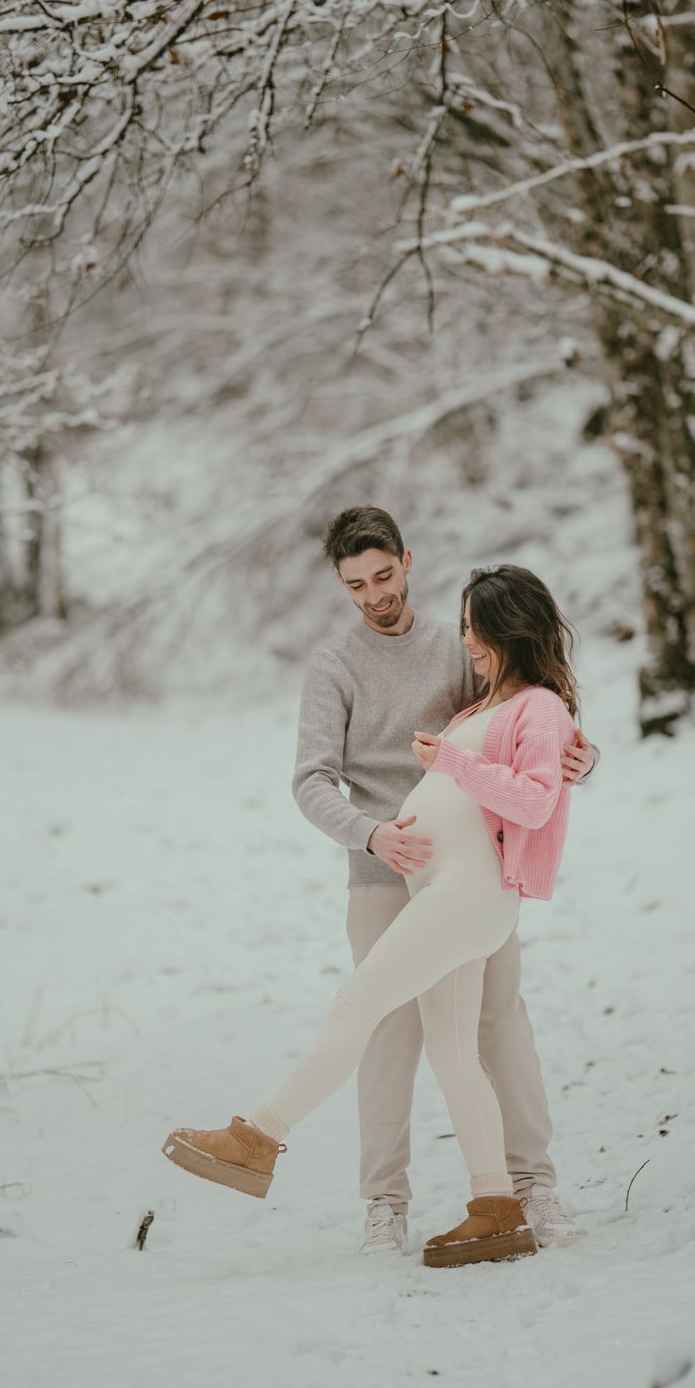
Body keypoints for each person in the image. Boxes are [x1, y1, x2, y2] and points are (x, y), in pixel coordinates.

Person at [162, 526, 593, 1267]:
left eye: (383, 576)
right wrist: (372, 833)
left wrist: (562, 757)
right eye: (355, 583)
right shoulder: (372, 673)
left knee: (370, 1009)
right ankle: (492, 1206)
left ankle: (256, 1139)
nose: (374, 594)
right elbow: (313, 779)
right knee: (444, 1049)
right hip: (405, 880)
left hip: (464, 892)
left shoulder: (521, 697)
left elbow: (532, 785)